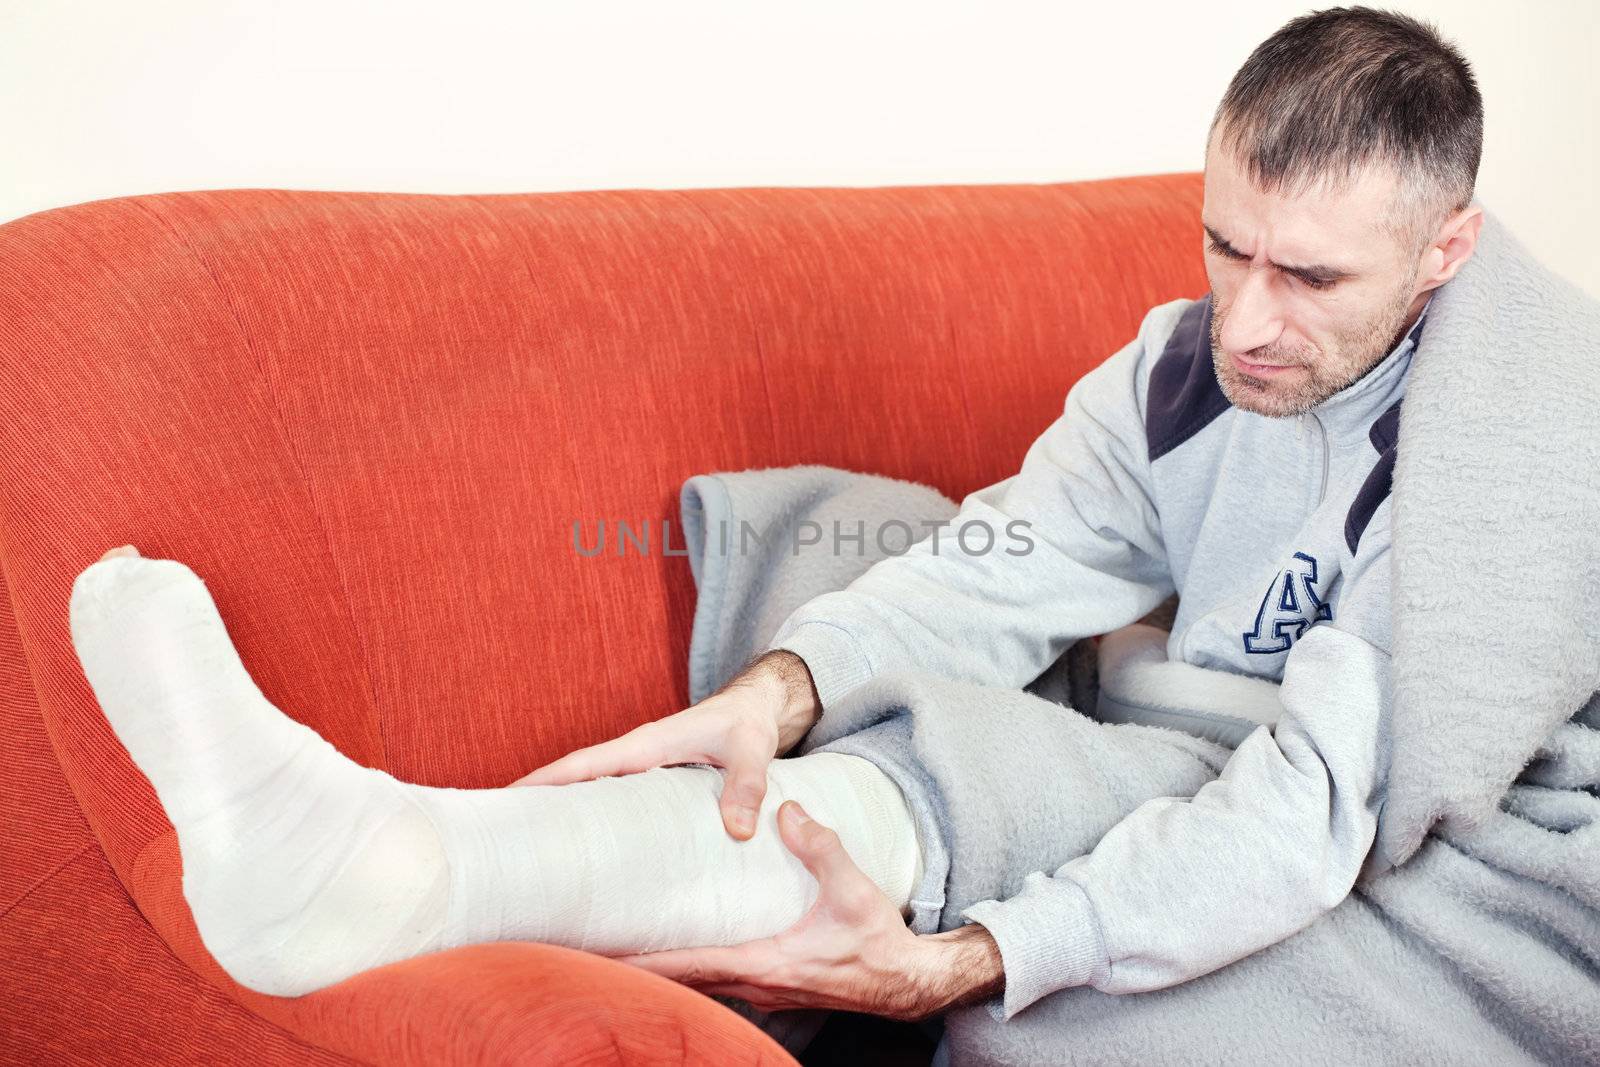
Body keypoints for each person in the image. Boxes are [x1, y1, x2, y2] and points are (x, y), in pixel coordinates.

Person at [68, 4, 1485, 1030]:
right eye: (1224, 246)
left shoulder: (1497, 458)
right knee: (859, 549)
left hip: (1438, 822)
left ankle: (412, 870)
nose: (1244, 321)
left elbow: (1309, 811)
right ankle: (398, 858)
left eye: (1307, 277)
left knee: (1123, 786)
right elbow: (1016, 557)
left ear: (1445, 252)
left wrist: (981, 954)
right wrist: (785, 689)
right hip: (1213, 707)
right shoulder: (1184, 367)